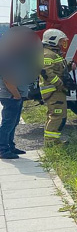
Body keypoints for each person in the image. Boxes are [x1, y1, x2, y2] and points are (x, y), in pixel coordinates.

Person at [0, 28, 39, 159]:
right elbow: (8, 79)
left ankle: (10, 146)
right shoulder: (7, 57)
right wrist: (16, 95)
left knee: (13, 122)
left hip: (17, 95)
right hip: (10, 95)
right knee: (8, 123)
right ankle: (3, 150)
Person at [40, 29, 74, 146]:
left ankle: (54, 141)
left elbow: (59, 71)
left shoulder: (54, 53)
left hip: (57, 91)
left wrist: (69, 66)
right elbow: (46, 73)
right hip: (53, 91)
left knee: (57, 115)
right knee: (56, 115)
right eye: (60, 41)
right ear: (53, 40)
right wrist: (60, 84)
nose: (62, 43)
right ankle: (51, 143)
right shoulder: (47, 54)